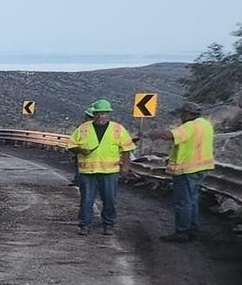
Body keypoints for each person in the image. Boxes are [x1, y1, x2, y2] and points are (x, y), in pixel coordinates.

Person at [147, 102, 215, 242]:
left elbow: (172, 135)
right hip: (202, 168)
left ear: (188, 113)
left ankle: (182, 232)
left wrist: (154, 134)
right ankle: (193, 230)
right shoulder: (205, 124)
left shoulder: (189, 126)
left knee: (183, 202)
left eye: (182, 113)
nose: (180, 116)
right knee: (193, 201)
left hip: (187, 169)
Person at [68, 99, 135, 236]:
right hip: (88, 172)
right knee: (87, 199)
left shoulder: (117, 129)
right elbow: (71, 145)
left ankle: (108, 225)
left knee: (109, 199)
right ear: (94, 114)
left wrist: (126, 166)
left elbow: (127, 148)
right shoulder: (83, 128)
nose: (100, 116)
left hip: (109, 172)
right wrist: (80, 150)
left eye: (103, 113)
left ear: (108, 114)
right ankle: (84, 225)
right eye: (98, 113)